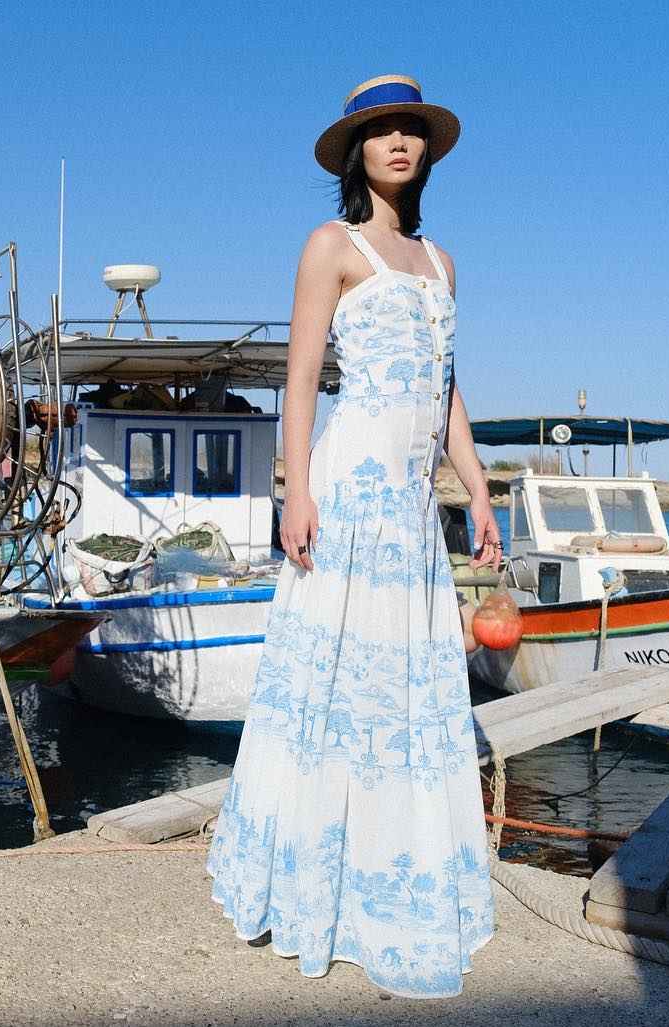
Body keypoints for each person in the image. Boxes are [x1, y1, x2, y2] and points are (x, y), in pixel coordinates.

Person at [206, 74, 501, 997]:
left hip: (411, 509)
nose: (399, 143)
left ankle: (390, 877)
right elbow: (301, 378)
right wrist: (295, 489)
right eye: (381, 132)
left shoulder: (442, 263)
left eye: (411, 129)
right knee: (332, 683)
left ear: (427, 149)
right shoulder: (330, 246)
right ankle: (311, 883)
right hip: (349, 487)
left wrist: (478, 486)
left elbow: (445, 388)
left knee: (400, 693)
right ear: (357, 153)